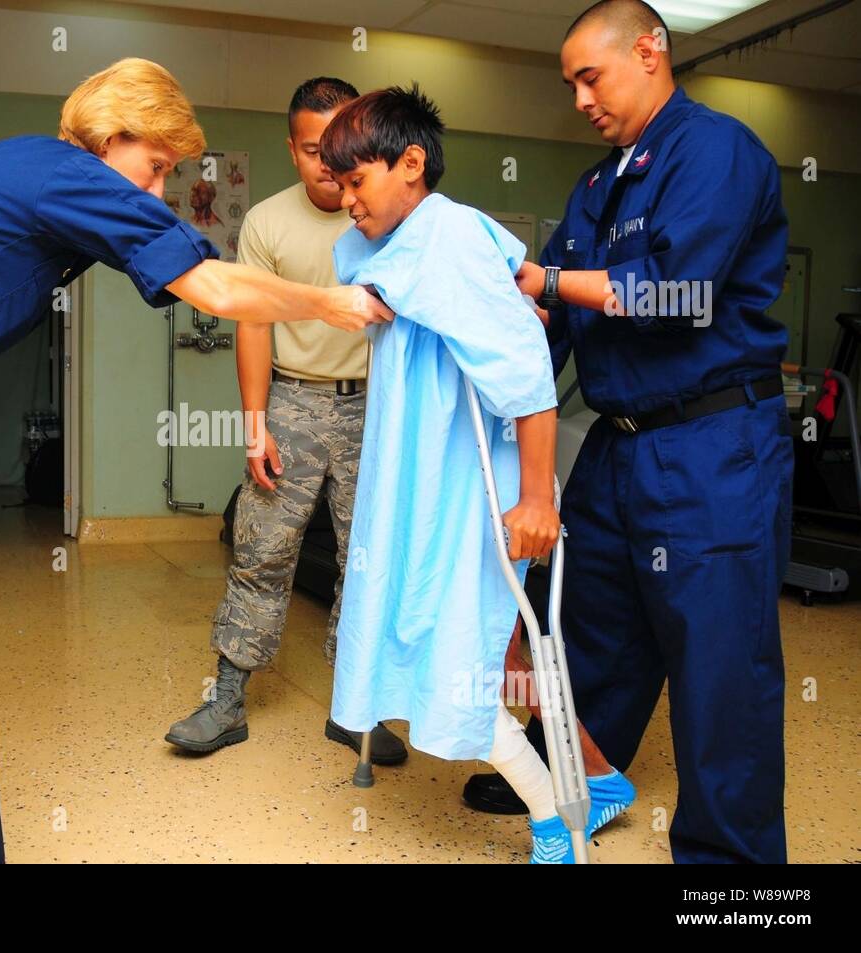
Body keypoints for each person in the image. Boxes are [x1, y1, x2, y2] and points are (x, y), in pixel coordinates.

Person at [0, 57, 392, 864]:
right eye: (157, 165)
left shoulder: (24, 165)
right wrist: (336, 301)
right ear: (115, 134)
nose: (157, 189)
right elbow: (220, 290)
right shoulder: (73, 171)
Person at [468, 0, 794, 864]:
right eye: (569, 82)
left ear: (649, 52)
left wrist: (545, 276)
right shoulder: (597, 185)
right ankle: (591, 779)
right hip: (617, 445)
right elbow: (555, 329)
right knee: (562, 627)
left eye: (589, 76)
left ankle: (736, 883)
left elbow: (674, 294)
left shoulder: (714, 150)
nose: (579, 98)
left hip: (711, 445)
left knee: (719, 672)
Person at [319, 84, 580, 862]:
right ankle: (566, 798)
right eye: (336, 184)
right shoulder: (378, 243)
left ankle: (554, 819)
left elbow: (529, 376)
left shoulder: (454, 234)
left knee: (461, 658)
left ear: (411, 162)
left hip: (470, 485)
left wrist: (537, 498)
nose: (345, 201)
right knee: (410, 636)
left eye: (356, 181)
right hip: (409, 477)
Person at [166, 77, 407, 767]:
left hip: (375, 405)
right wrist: (254, 424)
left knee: (369, 561)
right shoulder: (268, 222)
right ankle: (227, 701)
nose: (328, 168)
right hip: (294, 403)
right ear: (291, 147)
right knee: (261, 550)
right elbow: (253, 326)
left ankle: (357, 711)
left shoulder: (387, 216)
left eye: (339, 149)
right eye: (311, 150)